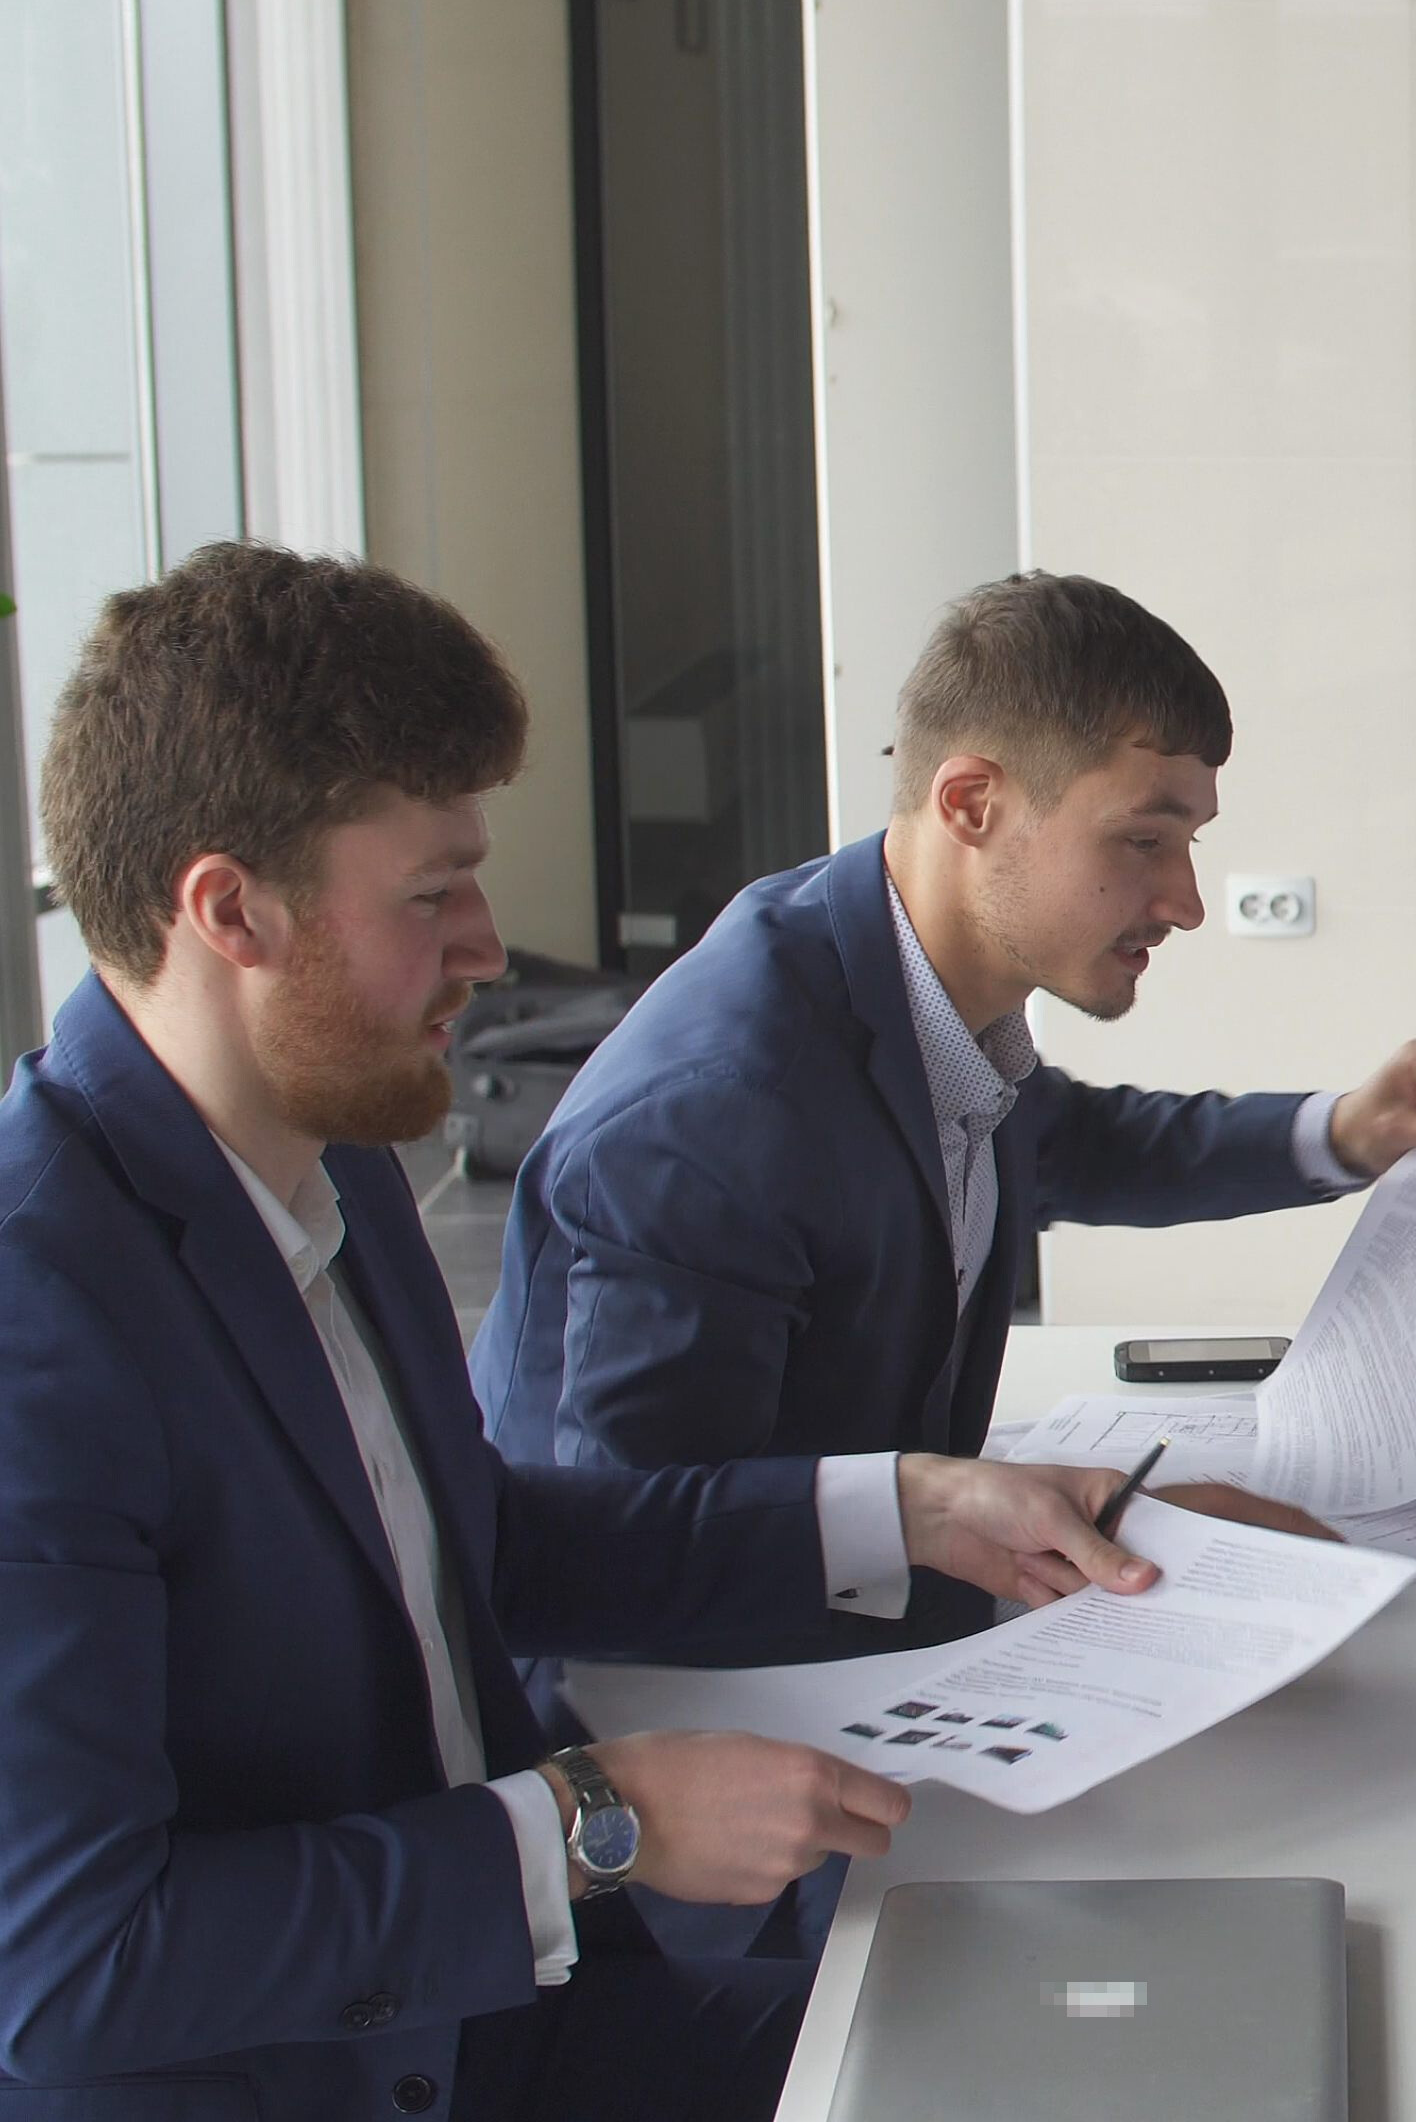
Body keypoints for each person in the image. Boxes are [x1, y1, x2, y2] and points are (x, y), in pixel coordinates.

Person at [0, 543, 1311, 2121]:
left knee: (1155, 2051)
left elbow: (476, 1542)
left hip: (501, 2010)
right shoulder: (40, 1308)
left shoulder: (326, 1145)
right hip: (326, 2071)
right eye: (433, 894)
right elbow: (67, 1969)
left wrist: (916, 1509)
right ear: (230, 913)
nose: (491, 945)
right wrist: (584, 1825)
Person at [479, 569, 1416, 1664]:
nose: (1186, 901)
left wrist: (1340, 1134)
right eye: (1144, 840)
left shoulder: (894, 973)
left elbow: (1064, 1143)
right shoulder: (720, 1112)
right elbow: (638, 1546)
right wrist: (1066, 1551)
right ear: (971, 804)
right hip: (666, 1702)